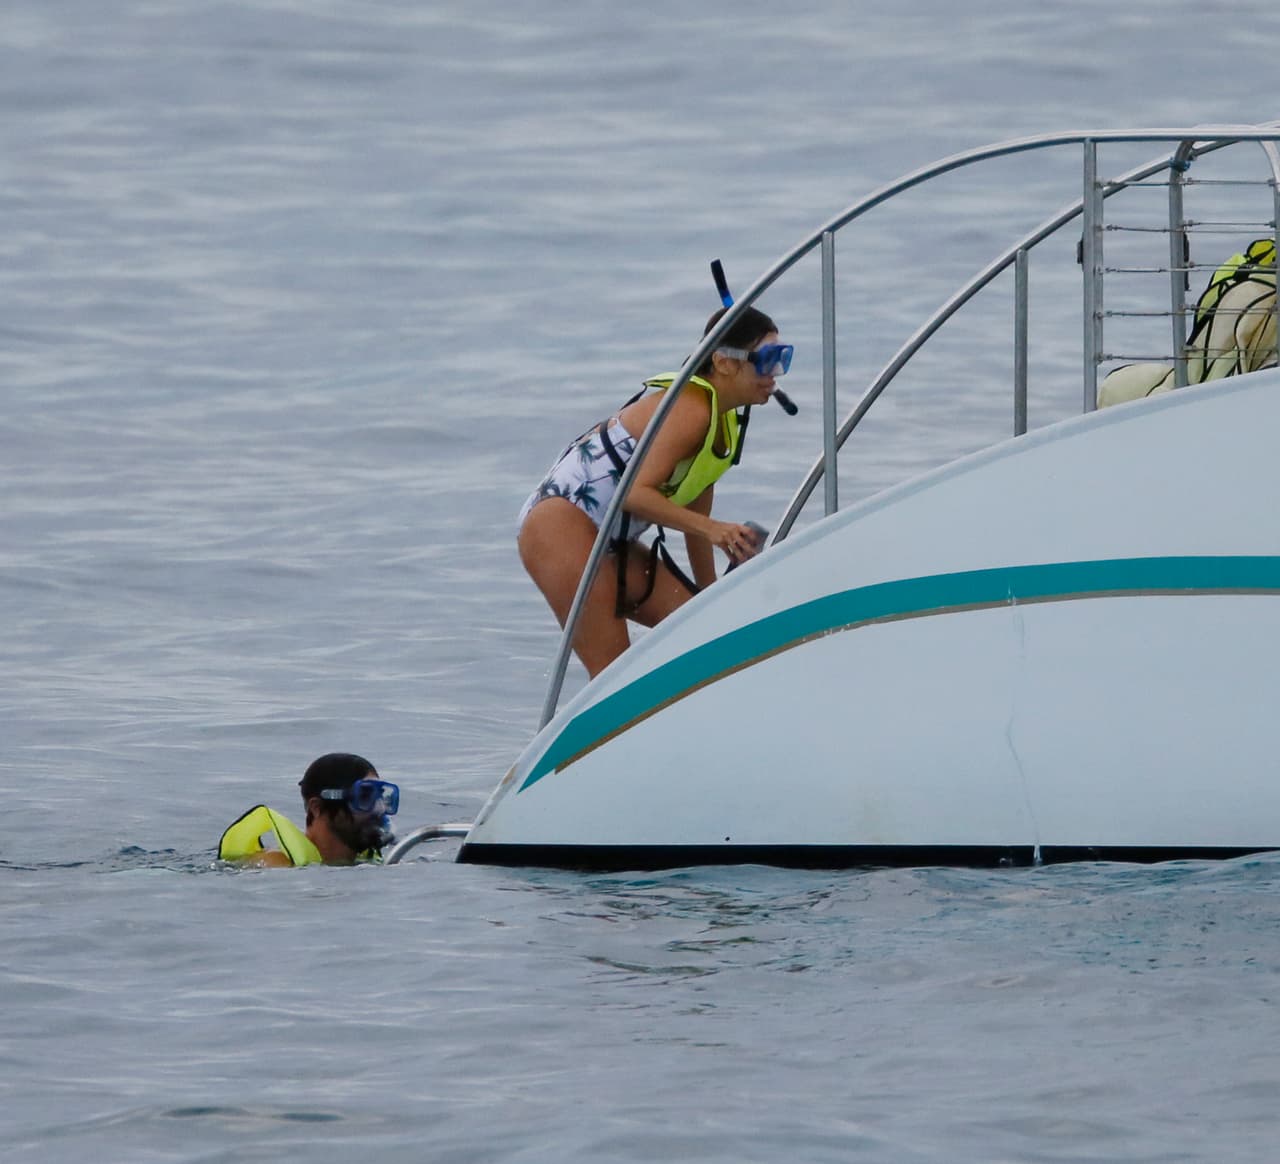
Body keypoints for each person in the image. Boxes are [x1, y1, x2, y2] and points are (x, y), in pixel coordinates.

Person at [517, 304, 793, 678]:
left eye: (784, 359)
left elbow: (697, 502)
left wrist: (709, 594)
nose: (776, 374)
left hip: (609, 538)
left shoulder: (723, 420)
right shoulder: (691, 408)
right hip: (559, 526)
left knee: (704, 635)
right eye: (768, 360)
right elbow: (633, 494)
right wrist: (716, 531)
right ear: (725, 362)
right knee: (615, 678)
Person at [218, 752, 399, 867]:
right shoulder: (274, 866)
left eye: (381, 797)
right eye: (365, 797)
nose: (379, 808)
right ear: (317, 808)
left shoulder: (369, 864)